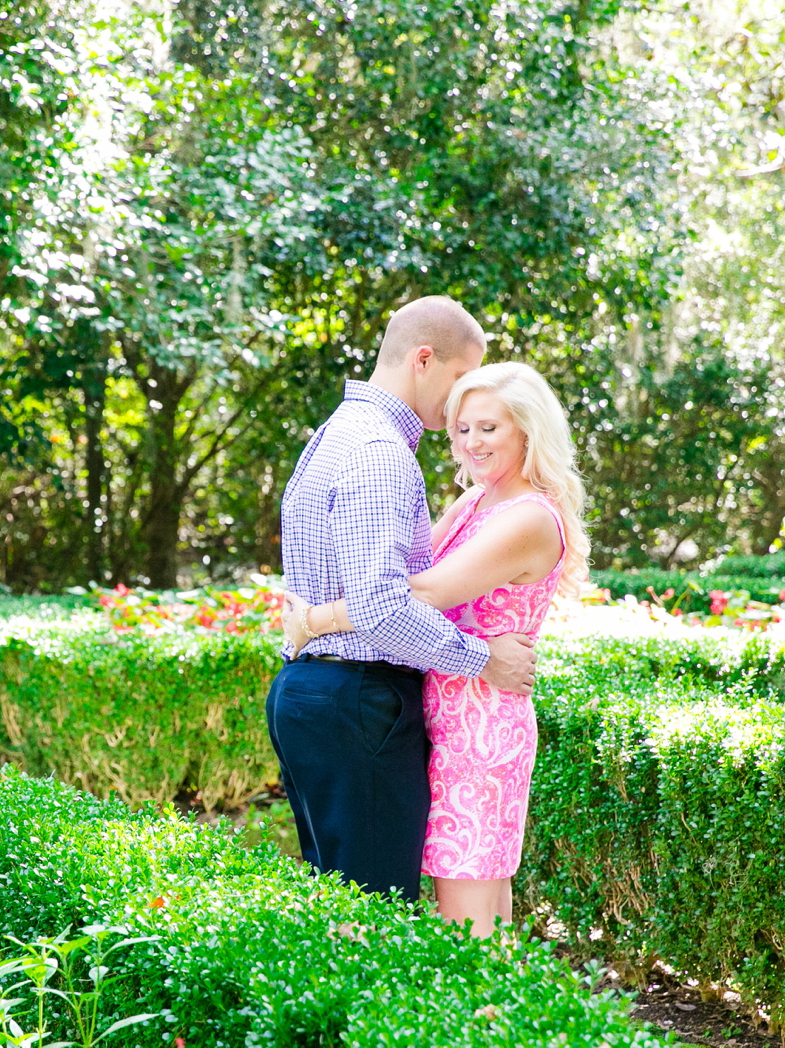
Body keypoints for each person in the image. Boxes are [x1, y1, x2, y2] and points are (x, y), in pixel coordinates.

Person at [285, 361, 589, 937]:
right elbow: (401, 576)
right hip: (443, 722)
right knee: (485, 923)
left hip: (481, 733)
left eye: (489, 428)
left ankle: (495, 1027)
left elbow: (418, 592)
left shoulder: (527, 516)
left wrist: (317, 620)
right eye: (462, 428)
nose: (471, 442)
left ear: (527, 429)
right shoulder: (477, 502)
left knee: (470, 932)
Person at [266, 296, 540, 906]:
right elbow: (383, 607)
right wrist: (483, 658)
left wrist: (316, 620)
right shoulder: (380, 453)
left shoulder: (337, 434)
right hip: (358, 699)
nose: (463, 397)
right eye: (459, 376)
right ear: (424, 360)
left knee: (342, 910)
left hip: (316, 690)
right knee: (376, 916)